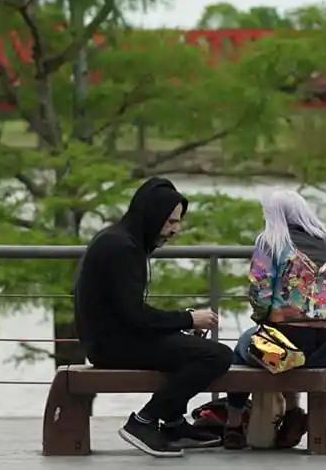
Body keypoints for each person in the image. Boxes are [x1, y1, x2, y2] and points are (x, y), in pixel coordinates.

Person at [73, 176, 233, 458]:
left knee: (191, 349)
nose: (175, 230)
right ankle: (144, 422)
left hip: (115, 338)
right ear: (152, 216)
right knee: (216, 356)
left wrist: (180, 329)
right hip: (111, 346)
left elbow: (129, 315)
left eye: (178, 221)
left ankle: (172, 424)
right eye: (170, 222)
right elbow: (135, 316)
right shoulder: (121, 248)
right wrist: (188, 319)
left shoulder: (122, 241)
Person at [222, 189, 326, 450]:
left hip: (283, 348)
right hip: (325, 347)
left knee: (244, 349)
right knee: (289, 351)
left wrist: (262, 319)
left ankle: (233, 425)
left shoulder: (271, 242)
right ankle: (293, 413)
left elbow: (260, 292)